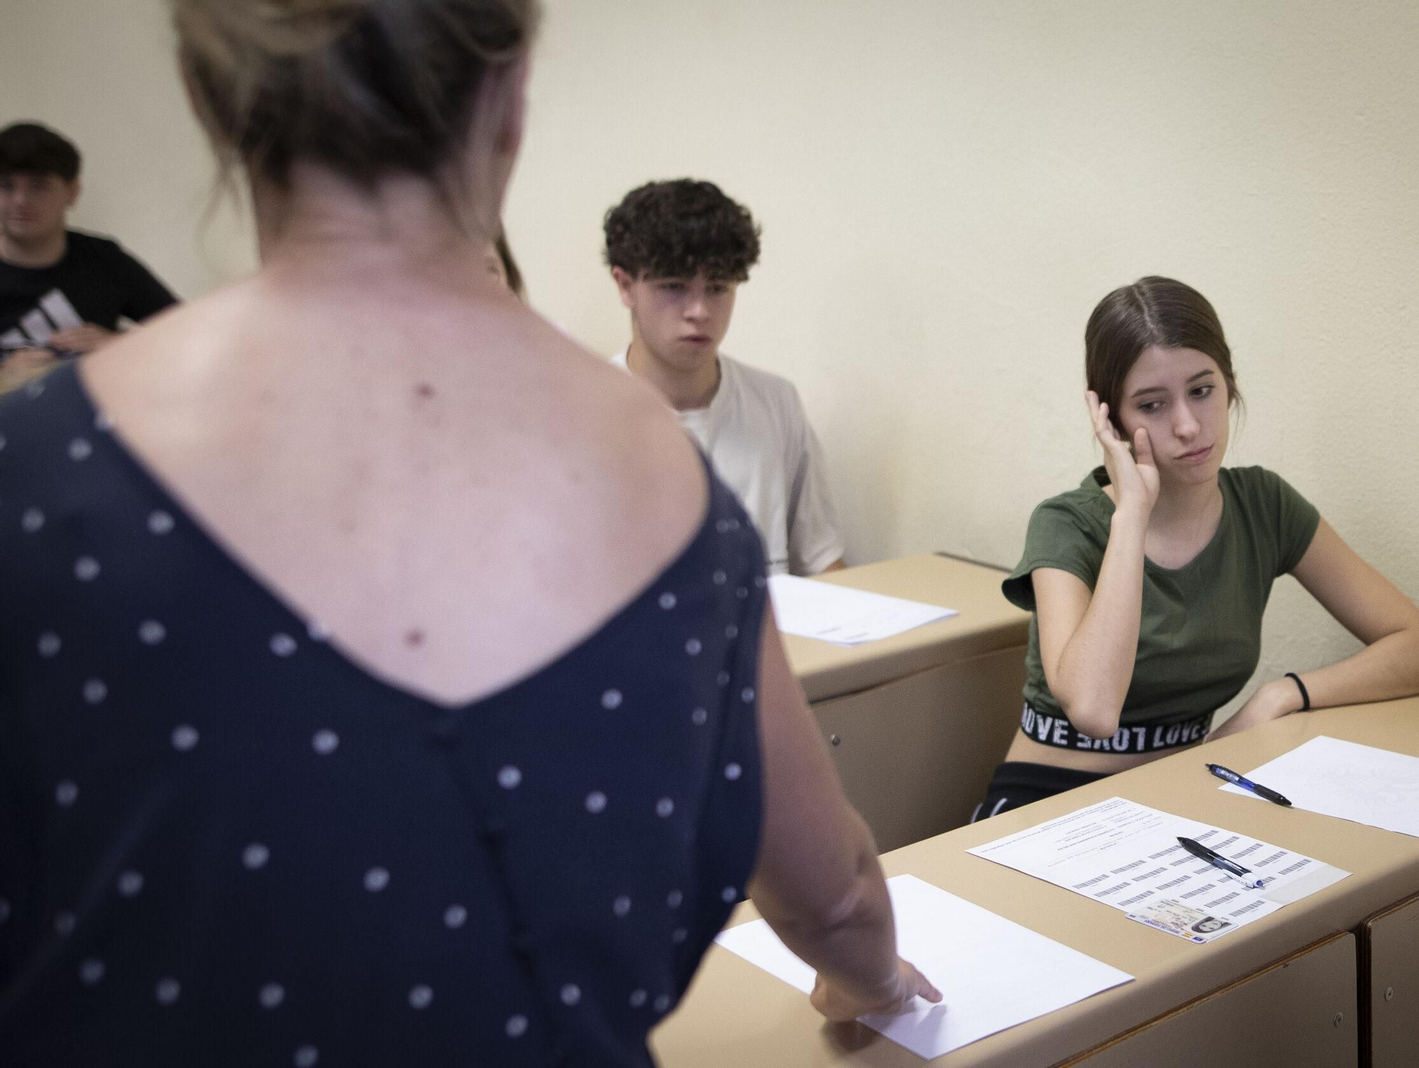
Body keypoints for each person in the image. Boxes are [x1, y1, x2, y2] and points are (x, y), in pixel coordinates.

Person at [0, 2, 935, 1065]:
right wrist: (876, 980)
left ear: (211, 100)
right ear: (509, 101)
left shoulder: (32, 467)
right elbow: (838, 897)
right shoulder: (663, 478)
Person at [976, 276, 1419, 820]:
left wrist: (1282, 694)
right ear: (1111, 419)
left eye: (1202, 391)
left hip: (1189, 791)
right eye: (1152, 405)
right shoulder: (1066, 523)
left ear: (1229, 386)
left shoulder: (1265, 505)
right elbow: (1093, 708)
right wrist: (1131, 514)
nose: (1186, 425)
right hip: (1050, 796)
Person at [605, 179, 845, 576]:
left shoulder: (775, 402)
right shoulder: (582, 415)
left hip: (772, 636)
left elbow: (821, 562)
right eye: (674, 287)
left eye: (717, 288)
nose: (699, 310)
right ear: (626, 285)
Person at [0, 122, 177, 392]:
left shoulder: (103, 259)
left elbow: (187, 334)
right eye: (6, 186)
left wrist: (121, 348)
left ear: (72, 192)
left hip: (92, 421)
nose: (20, 200)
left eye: (38, 186)